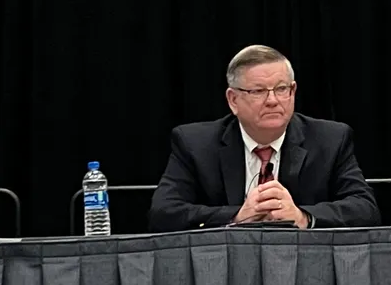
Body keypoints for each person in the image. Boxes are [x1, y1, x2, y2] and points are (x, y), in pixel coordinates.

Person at [148, 44, 379, 231]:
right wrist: (237, 216)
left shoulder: (330, 140)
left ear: (293, 91)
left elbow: (365, 209)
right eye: (258, 91)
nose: (272, 100)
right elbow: (163, 214)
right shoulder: (195, 144)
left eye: (281, 89)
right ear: (233, 100)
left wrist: (303, 216)